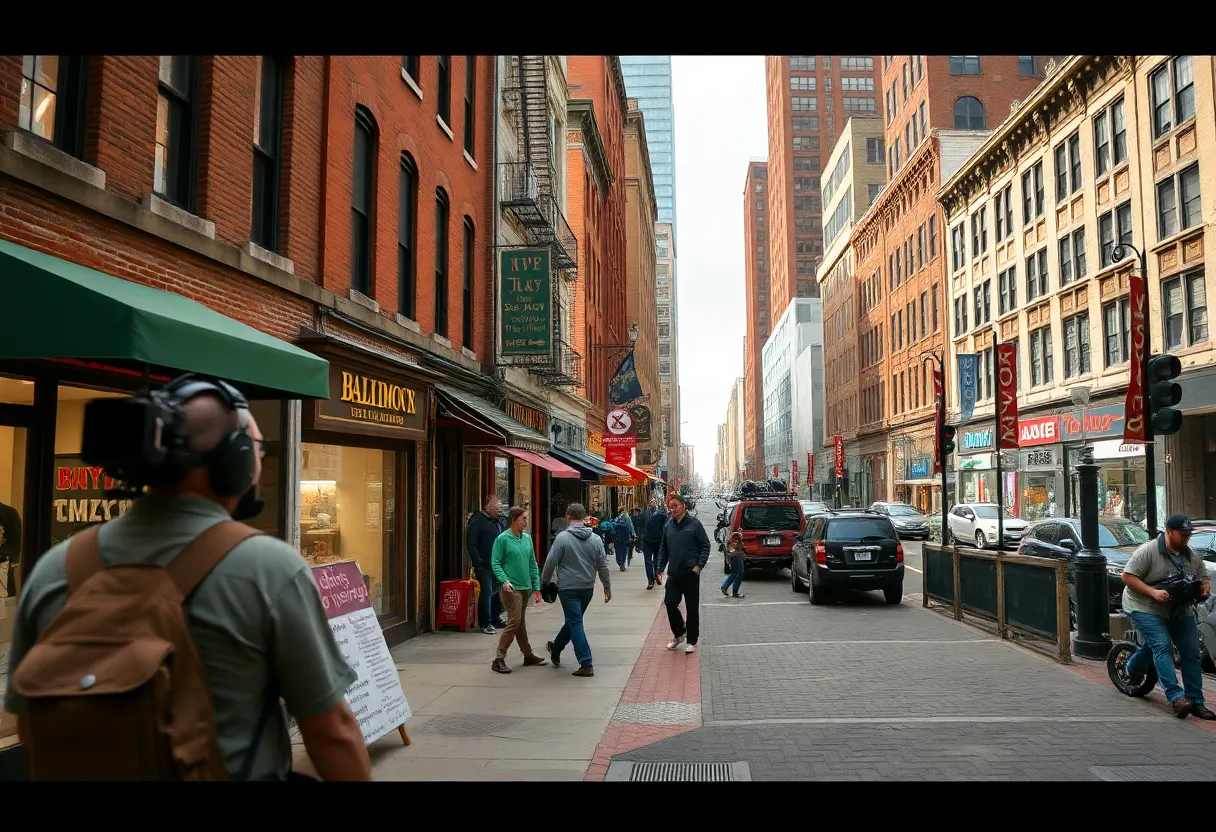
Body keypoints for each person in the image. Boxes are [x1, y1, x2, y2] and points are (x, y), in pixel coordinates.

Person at [3, 378, 371, 780]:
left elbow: (29, 726)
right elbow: (332, 732)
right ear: (234, 460)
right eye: (257, 449)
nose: (259, 460)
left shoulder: (55, 568)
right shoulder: (269, 568)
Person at [1121, 513, 1213, 719]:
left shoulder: (1191, 555)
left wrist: (1204, 587)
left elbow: (1203, 576)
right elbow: (1127, 577)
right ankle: (1176, 697)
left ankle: (1196, 701)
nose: (1186, 538)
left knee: (1191, 652)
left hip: (1179, 608)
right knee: (1162, 646)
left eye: (1188, 535)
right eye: (1182, 534)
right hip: (1145, 606)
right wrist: (1153, 592)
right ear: (1169, 532)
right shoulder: (1148, 551)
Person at [541, 503, 612, 677]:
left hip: (568, 587)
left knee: (575, 622)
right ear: (584, 517)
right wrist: (607, 586)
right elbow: (602, 565)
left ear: (568, 517)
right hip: (587, 587)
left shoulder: (562, 538)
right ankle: (556, 647)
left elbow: (551, 561)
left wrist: (544, 582)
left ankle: (586, 662)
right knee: (575, 620)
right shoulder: (595, 539)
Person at [490, 506, 546, 674]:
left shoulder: (526, 538)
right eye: (524, 518)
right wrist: (503, 580)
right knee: (514, 621)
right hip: (511, 587)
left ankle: (528, 654)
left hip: (525, 586)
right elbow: (495, 562)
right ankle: (499, 657)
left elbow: (532, 563)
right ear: (514, 520)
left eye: (527, 518)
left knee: (520, 621)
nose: (526, 521)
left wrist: (536, 586)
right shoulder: (502, 539)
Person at [658, 492, 711, 654]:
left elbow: (705, 545)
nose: (672, 510)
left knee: (692, 609)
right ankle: (679, 633)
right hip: (674, 573)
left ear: (683, 506)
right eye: (670, 507)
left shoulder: (694, 524)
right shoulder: (668, 526)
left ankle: (692, 640)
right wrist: (659, 569)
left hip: (690, 573)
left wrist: (699, 565)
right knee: (669, 603)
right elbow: (663, 549)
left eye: (675, 506)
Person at [467, 496, 508, 634]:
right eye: (497, 507)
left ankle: (495, 618)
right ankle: (485, 623)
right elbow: (471, 543)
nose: (500, 510)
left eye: (501, 507)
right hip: (484, 563)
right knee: (487, 591)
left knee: (496, 591)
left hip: (498, 563)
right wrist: (477, 561)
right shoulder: (478, 520)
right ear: (488, 507)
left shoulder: (500, 521)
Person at [643, 500, 669, 590]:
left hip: (647, 540)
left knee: (648, 560)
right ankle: (656, 574)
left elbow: (639, 525)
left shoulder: (645, 514)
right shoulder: (664, 516)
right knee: (656, 559)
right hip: (658, 540)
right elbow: (666, 528)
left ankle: (651, 580)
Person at [720, 530, 746, 599]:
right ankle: (725, 587)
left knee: (739, 572)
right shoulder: (735, 534)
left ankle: (734, 591)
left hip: (736, 553)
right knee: (736, 572)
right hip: (735, 554)